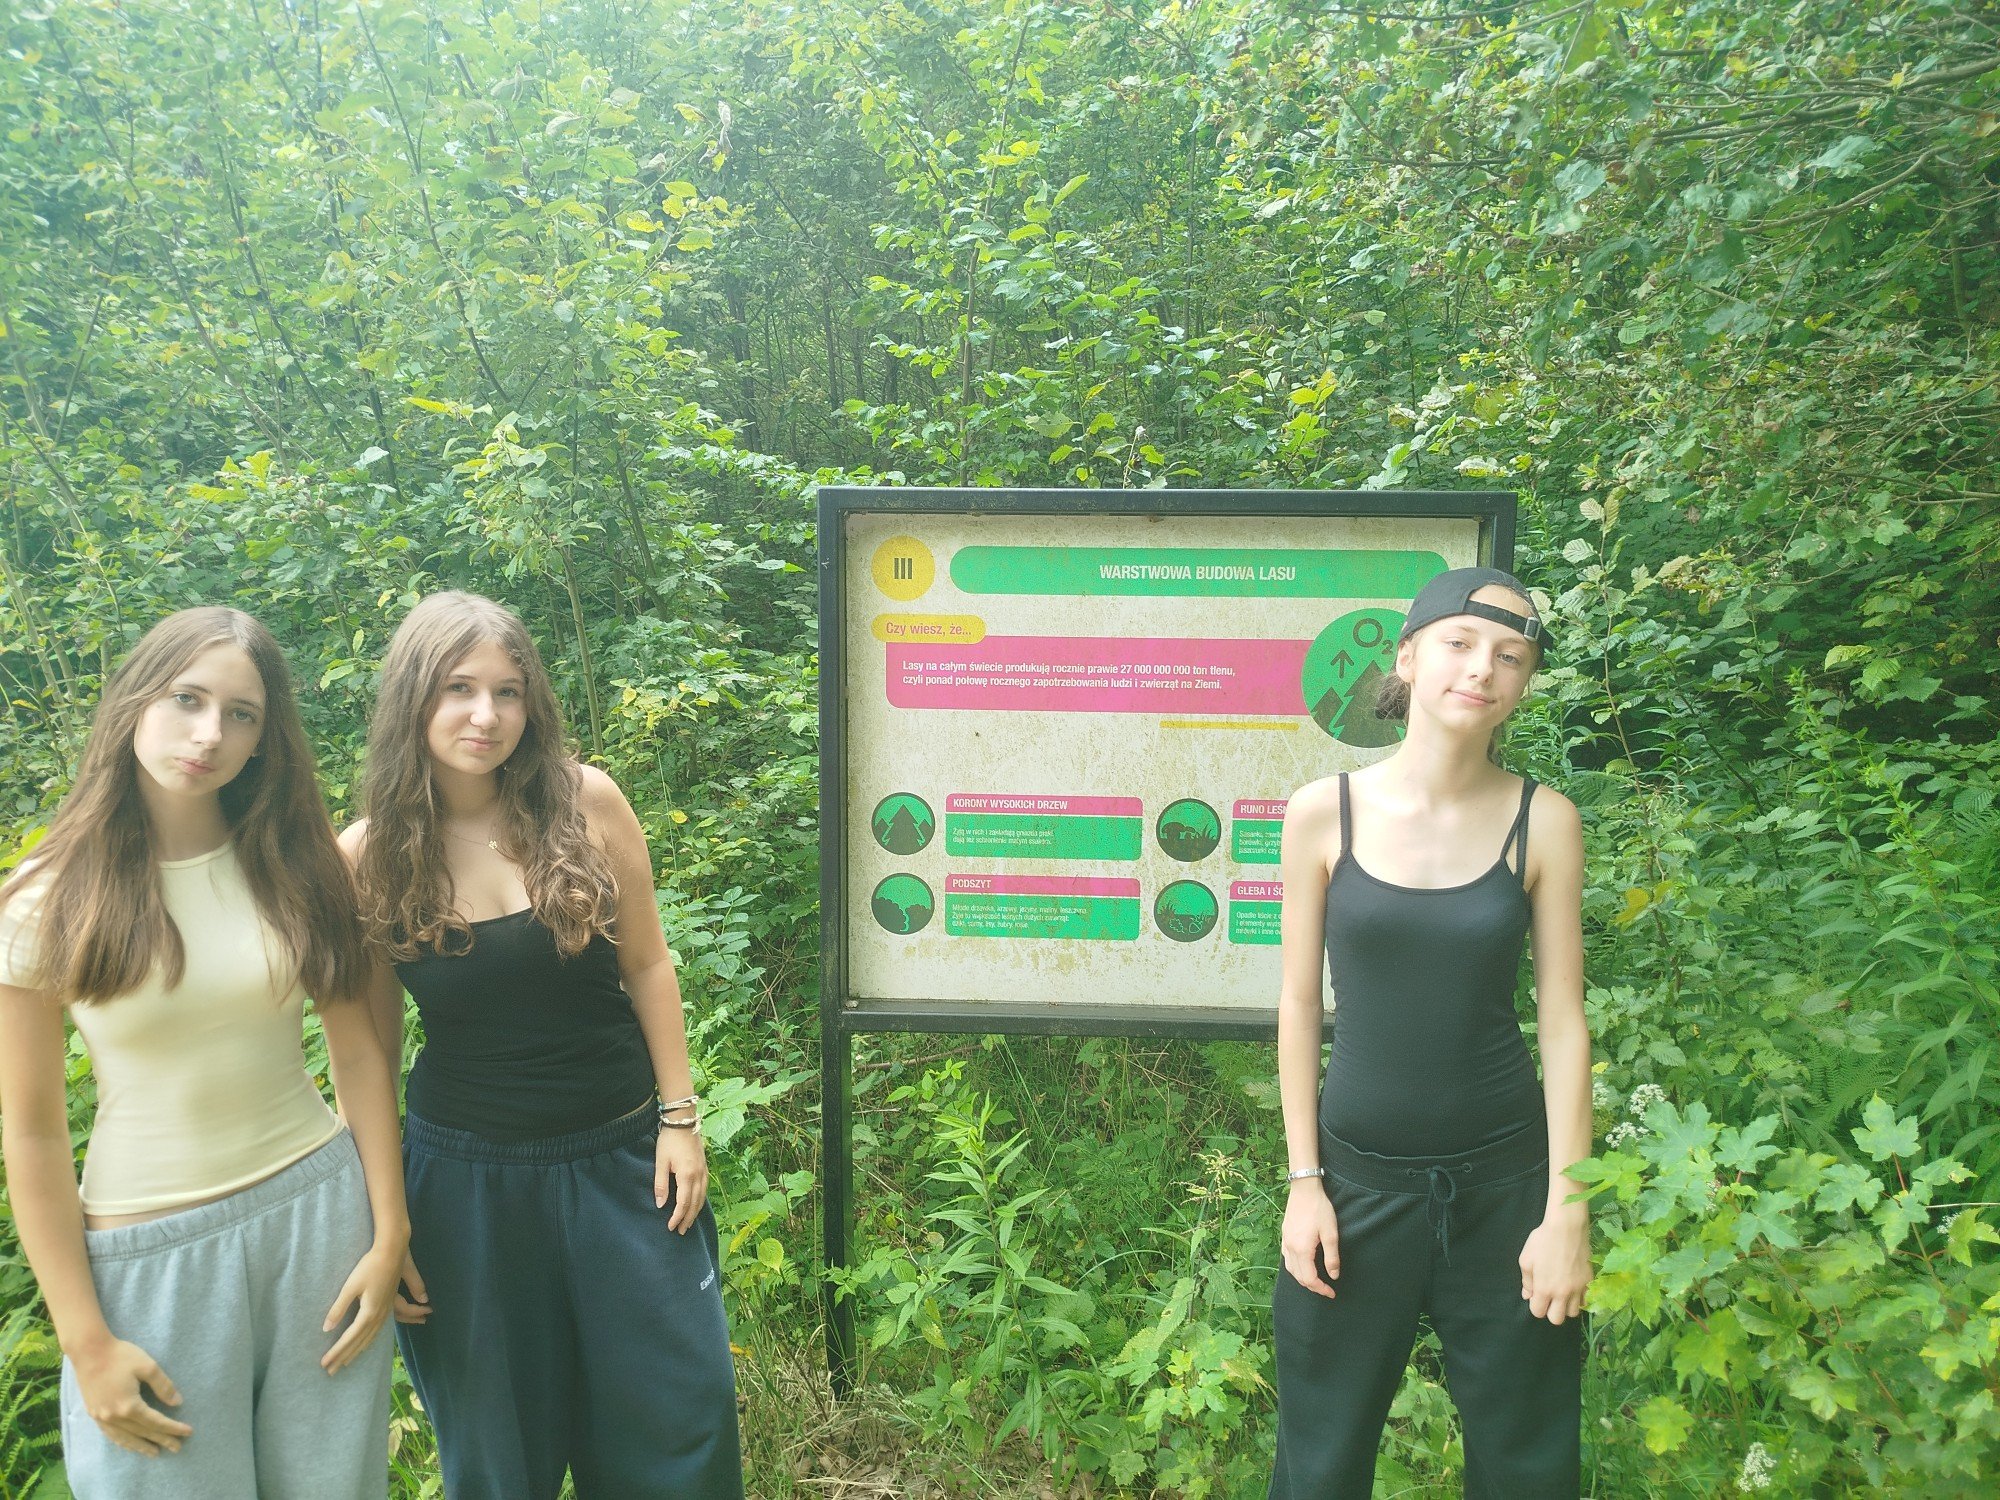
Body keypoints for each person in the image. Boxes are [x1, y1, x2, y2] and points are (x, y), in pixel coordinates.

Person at [341, 591, 744, 1499]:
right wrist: (384, 1216)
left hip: (625, 1166)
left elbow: (647, 964)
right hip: (465, 1193)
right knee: (499, 1455)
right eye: (458, 688)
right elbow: (367, 1052)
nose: (486, 715)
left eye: (508, 692)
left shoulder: (584, 801)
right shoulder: (367, 857)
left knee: (681, 1420)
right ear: (412, 697)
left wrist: (680, 1118)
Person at [0, 607, 404, 1499]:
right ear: (135, 700)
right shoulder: (43, 899)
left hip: (320, 1226)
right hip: (151, 1260)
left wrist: (390, 1229)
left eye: (240, 713)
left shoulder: (297, 864)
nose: (209, 733)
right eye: (187, 699)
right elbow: (31, 1134)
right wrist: (85, 1341)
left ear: (265, 738)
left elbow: (359, 1055)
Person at [1269, 568, 1592, 1498]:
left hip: (1506, 1194)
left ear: (1523, 684)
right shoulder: (1323, 812)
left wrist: (1567, 1210)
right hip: (1352, 1190)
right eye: (1460, 643)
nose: (1482, 669)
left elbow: (1564, 1022)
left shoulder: (1544, 822)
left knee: (1527, 1468)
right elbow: (1299, 1004)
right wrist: (1304, 1183)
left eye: (1510, 656)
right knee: (1318, 1467)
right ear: (1408, 656)